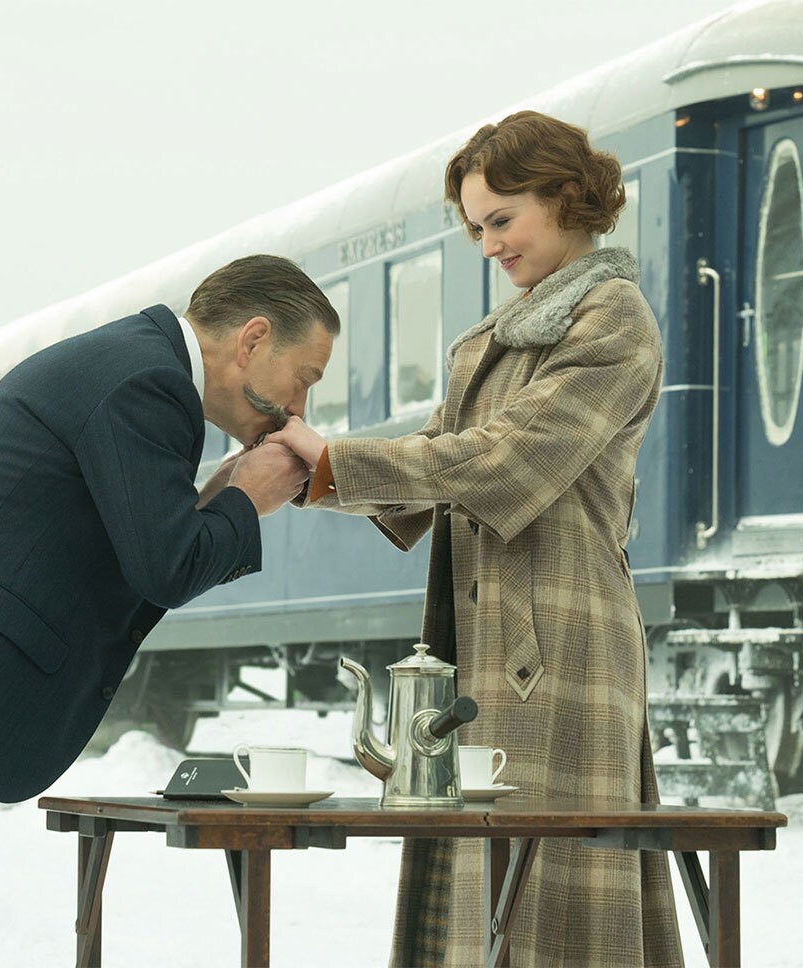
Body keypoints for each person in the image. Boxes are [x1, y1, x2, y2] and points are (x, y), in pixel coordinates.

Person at [0, 253, 336, 966]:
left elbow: (136, 544)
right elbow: (165, 568)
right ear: (253, 339)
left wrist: (215, 500)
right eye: (305, 380)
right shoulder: (151, 384)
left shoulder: (132, 362)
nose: (299, 412)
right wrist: (246, 502)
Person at [268, 110, 681, 966]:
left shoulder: (615, 322)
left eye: (502, 219)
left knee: (547, 903)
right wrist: (298, 470)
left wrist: (335, 459)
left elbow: (502, 463)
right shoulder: (488, 345)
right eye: (475, 227)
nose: (488, 244)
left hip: (560, 649)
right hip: (485, 652)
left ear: (566, 198)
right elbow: (428, 472)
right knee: (483, 899)